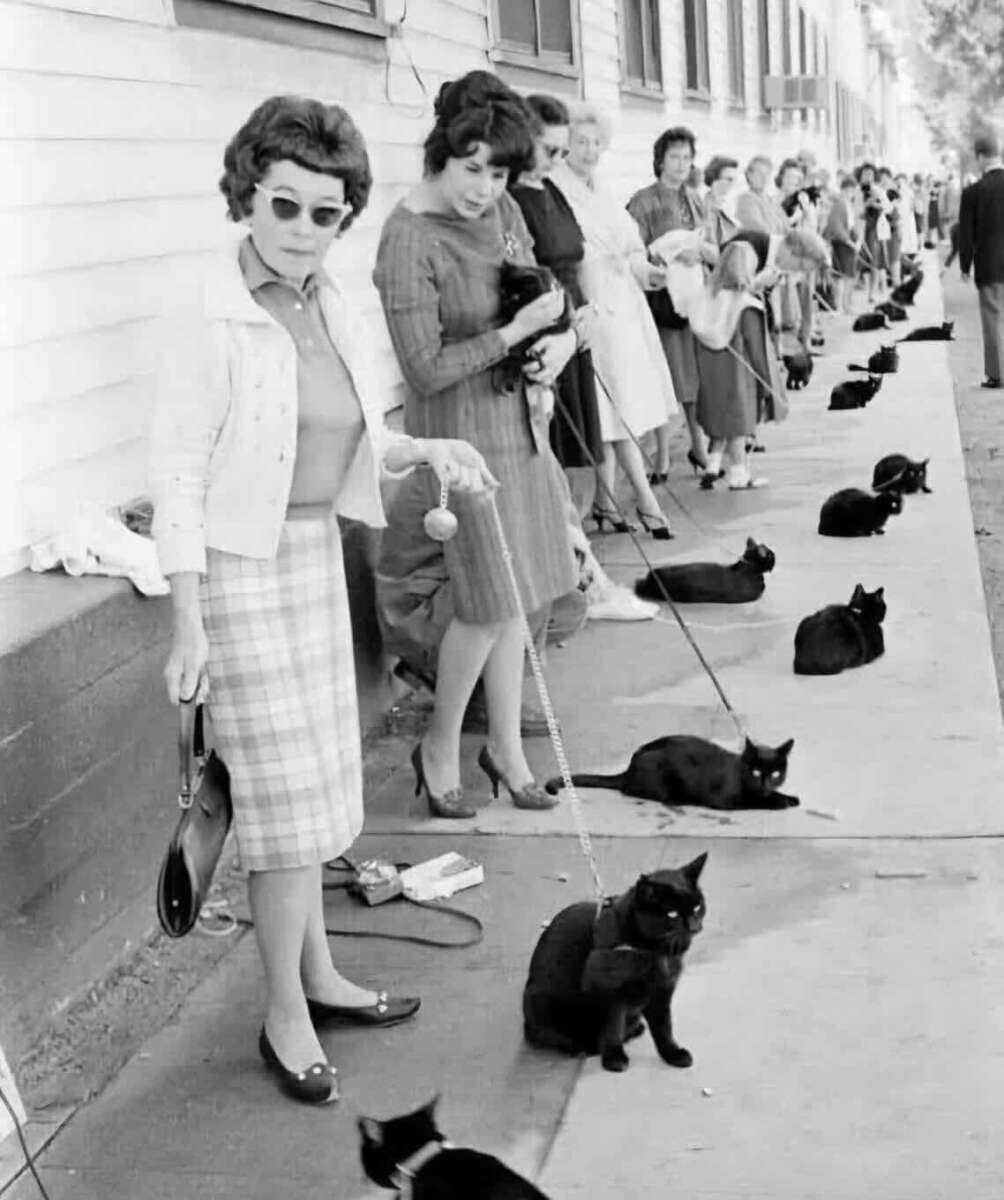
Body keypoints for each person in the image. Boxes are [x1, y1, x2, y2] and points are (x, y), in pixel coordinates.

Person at [150, 95, 498, 1106]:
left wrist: (425, 447)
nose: (301, 230)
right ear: (247, 193)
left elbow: (359, 434)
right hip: (234, 574)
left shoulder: (331, 300)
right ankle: (283, 1014)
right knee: (282, 815)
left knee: (317, 800)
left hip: (312, 560)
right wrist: (184, 621)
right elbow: (176, 470)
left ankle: (320, 976)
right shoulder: (208, 309)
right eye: (284, 205)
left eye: (324, 213)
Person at [373, 71, 578, 820]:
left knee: (518, 598)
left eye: (498, 173)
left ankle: (508, 753)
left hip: (519, 427)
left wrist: (556, 342)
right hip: (458, 440)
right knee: (484, 603)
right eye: (472, 169)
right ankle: (440, 743)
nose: (484, 188)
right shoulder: (406, 239)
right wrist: (513, 336)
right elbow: (424, 368)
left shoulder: (501, 216)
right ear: (440, 154)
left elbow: (539, 291)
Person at [552, 103, 678, 537]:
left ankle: (608, 504)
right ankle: (644, 500)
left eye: (596, 143)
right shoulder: (556, 191)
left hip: (624, 308)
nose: (589, 150)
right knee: (607, 407)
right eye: (581, 142)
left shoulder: (603, 191)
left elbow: (631, 248)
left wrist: (650, 273)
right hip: (592, 306)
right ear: (565, 144)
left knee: (619, 406)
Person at [507, 93, 602, 501]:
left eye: (563, 151)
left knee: (578, 451)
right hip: (544, 331)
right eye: (550, 150)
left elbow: (579, 255)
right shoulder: (508, 199)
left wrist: (590, 310)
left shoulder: (552, 189)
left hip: (574, 324)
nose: (557, 160)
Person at [627, 126, 717, 476]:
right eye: (674, 157)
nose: (681, 165)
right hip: (661, 303)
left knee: (694, 376)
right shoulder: (643, 201)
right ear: (660, 160)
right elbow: (634, 252)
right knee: (666, 376)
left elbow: (712, 247)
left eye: (686, 158)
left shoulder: (695, 199)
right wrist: (667, 256)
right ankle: (663, 451)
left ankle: (698, 442)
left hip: (695, 297)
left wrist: (699, 253)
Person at [689, 240, 788, 491]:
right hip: (739, 375)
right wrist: (769, 381)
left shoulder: (705, 299)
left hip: (711, 375)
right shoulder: (745, 305)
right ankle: (739, 474)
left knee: (719, 421)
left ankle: (712, 465)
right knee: (738, 427)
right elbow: (757, 350)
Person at [959, 132, 1004, 389]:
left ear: (980, 157)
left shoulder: (973, 193)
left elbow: (966, 233)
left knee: (992, 319)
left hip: (989, 265)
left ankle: (996, 373)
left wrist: (965, 265)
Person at [824, 175, 860, 313]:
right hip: (842, 243)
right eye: (848, 190)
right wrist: (851, 242)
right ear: (843, 190)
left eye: (852, 190)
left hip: (846, 242)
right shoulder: (840, 205)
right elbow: (837, 227)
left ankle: (843, 304)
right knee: (845, 276)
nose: (850, 193)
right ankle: (843, 305)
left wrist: (856, 240)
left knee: (844, 276)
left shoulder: (847, 204)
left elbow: (850, 226)